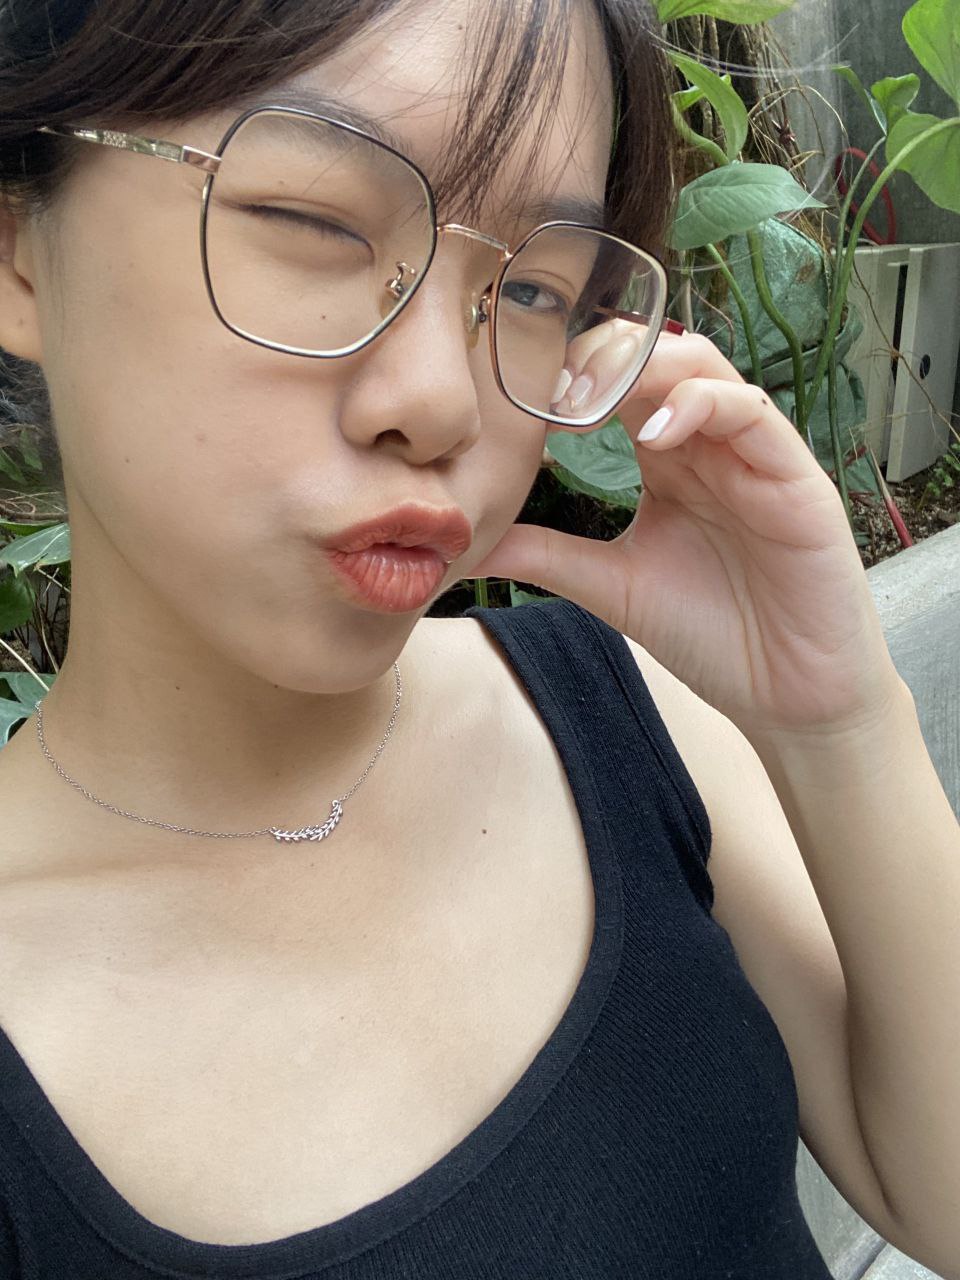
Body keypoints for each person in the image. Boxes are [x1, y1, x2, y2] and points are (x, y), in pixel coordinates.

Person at [0, 0, 958, 1276]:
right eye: (317, 223)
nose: (444, 400)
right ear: (19, 253)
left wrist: (836, 719)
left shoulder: (621, 717)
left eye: (535, 289)